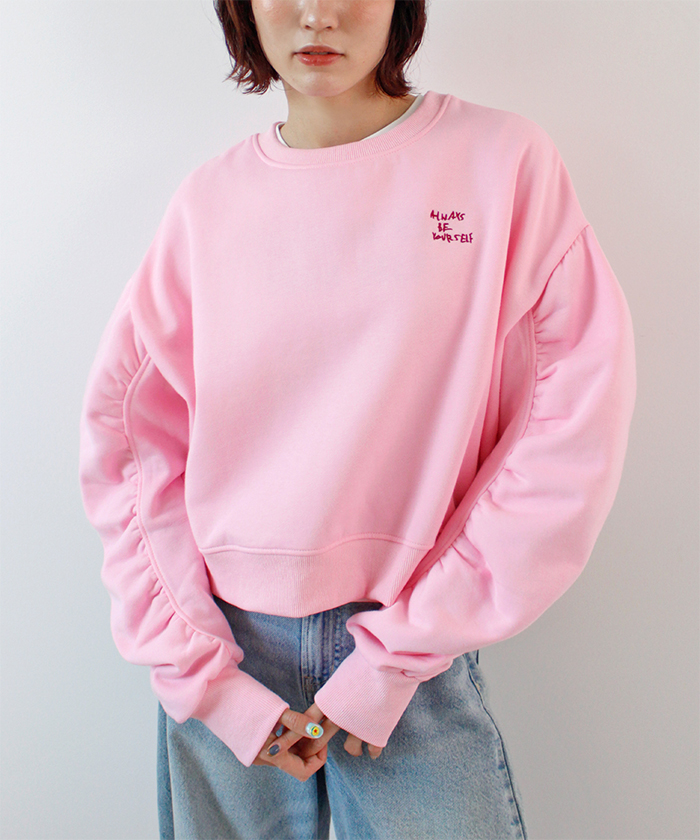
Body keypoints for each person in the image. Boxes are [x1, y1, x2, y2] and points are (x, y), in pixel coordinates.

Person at [77, 0, 637, 837]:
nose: (318, 14)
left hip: (411, 649)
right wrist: (206, 678)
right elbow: (129, 445)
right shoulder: (208, 203)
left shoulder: (500, 162)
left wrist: (400, 653)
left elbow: (570, 420)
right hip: (228, 647)